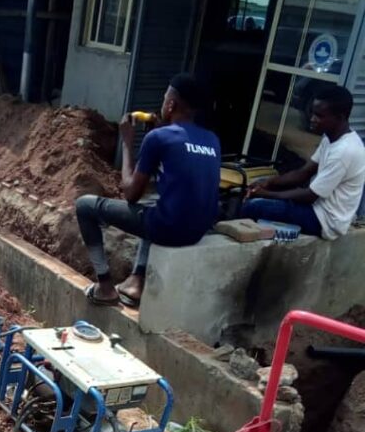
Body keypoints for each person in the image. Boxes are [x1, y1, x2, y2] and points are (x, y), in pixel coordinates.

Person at [75, 73, 221, 308]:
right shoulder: (212, 139)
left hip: (169, 230)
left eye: (164, 99)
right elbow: (180, 160)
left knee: (84, 206)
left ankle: (105, 287)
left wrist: (126, 142)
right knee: (156, 204)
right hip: (198, 230)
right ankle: (137, 280)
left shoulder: (158, 138)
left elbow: (131, 194)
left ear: (171, 105)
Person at [242, 85, 365, 240]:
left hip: (325, 221)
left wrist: (267, 194)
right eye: (312, 113)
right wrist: (268, 182)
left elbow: (310, 195)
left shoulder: (345, 152)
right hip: (316, 207)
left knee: (253, 207)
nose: (312, 119)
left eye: (319, 116)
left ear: (340, 118)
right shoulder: (330, 138)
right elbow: (303, 173)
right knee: (257, 195)